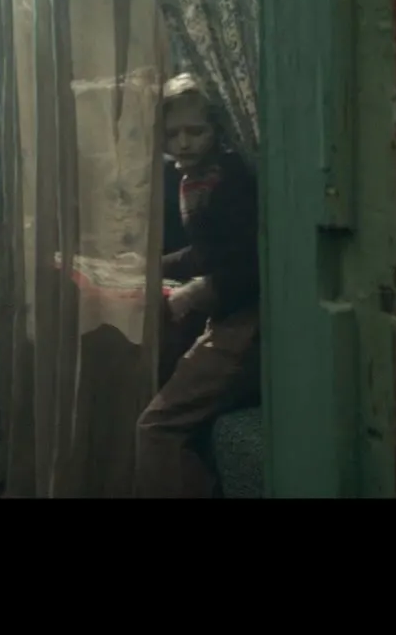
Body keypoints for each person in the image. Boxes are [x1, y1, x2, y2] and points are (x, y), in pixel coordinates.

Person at [135, 73, 260, 498]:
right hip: (228, 317)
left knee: (156, 428)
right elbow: (208, 250)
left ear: (216, 129)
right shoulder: (192, 178)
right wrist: (153, 267)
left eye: (195, 131)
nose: (184, 142)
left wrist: (196, 291)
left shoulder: (230, 177)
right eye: (173, 134)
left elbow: (249, 262)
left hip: (246, 320)